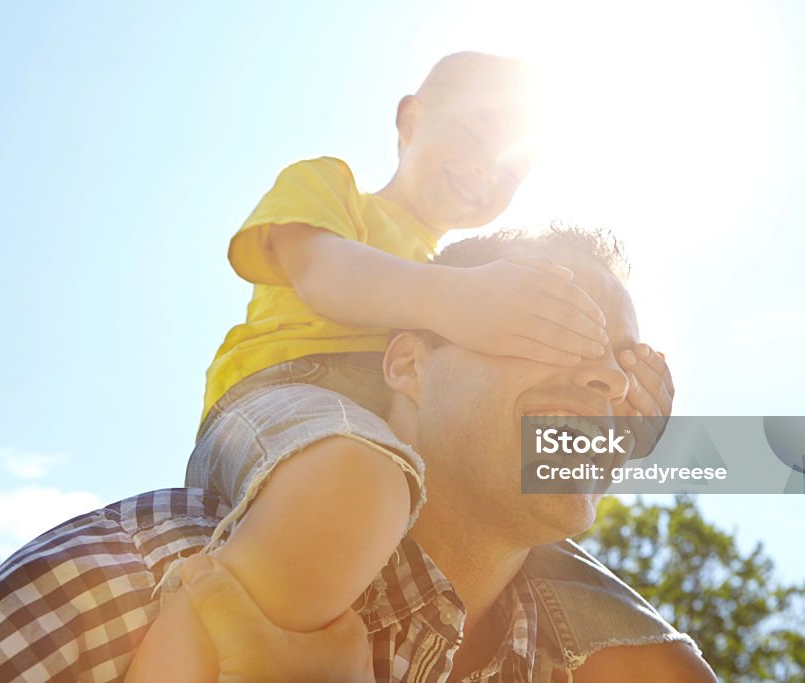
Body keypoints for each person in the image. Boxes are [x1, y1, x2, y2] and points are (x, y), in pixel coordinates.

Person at [0, 226, 715, 681]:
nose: (608, 377)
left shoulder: (609, 661)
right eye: (557, 322)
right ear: (406, 364)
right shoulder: (141, 572)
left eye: (628, 365)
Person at [139, 51, 610, 680]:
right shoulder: (333, 187)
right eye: (472, 136)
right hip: (286, 391)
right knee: (357, 475)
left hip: (397, 440)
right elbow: (324, 273)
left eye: (509, 170)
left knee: (558, 565)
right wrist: (458, 299)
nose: (484, 170)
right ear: (411, 120)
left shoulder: (461, 268)